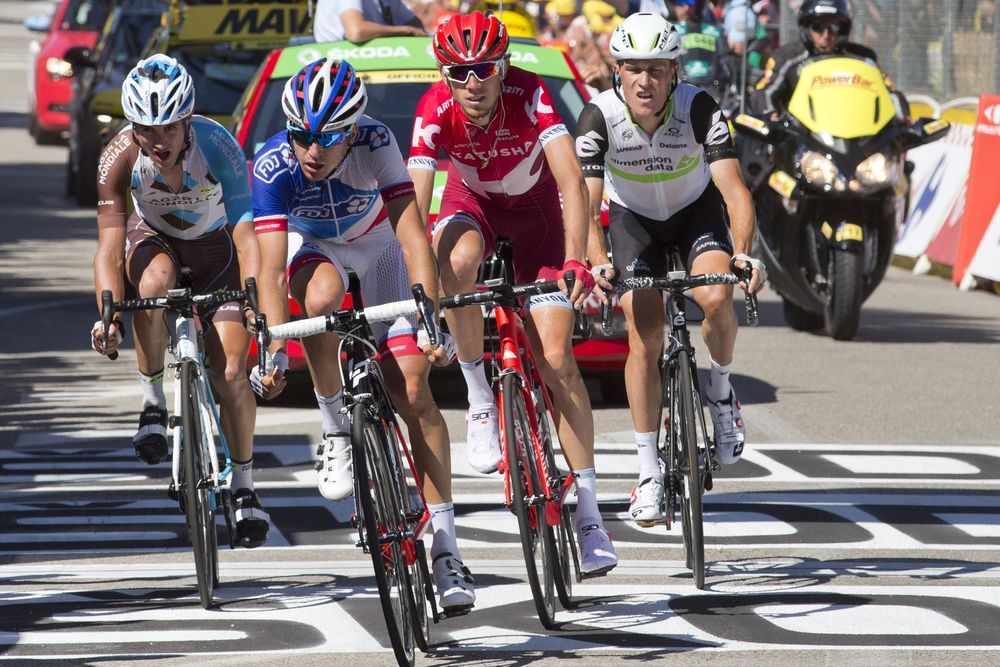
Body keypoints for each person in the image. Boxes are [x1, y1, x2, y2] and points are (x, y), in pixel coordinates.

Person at [249, 57, 475, 613]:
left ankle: (446, 550)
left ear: (351, 131)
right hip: (314, 247)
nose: (312, 150)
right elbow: (272, 271)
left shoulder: (376, 142)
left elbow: (412, 234)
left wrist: (430, 318)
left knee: (414, 390)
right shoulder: (274, 164)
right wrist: (272, 346)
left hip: (379, 248)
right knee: (320, 301)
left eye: (327, 138)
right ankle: (334, 428)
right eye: (302, 135)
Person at [408, 11, 618, 576]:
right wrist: (421, 293)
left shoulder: (531, 93)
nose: (472, 82)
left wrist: (576, 257)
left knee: (556, 357)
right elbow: (415, 201)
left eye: (484, 69)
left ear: (503, 67)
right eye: (458, 72)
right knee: (458, 262)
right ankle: (479, 394)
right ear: (444, 74)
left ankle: (591, 515)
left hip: (537, 216)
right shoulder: (434, 110)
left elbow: (571, 180)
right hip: (471, 206)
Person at [575, 13, 766, 527]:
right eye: (633, 69)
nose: (644, 81)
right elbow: (587, 205)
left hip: (694, 213)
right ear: (618, 71)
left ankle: (722, 392)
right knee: (644, 334)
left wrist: (743, 252)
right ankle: (647, 475)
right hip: (633, 221)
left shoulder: (700, 108)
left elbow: (733, 191)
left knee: (717, 297)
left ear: (673, 72)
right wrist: (596, 261)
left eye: (656, 70)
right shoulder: (598, 117)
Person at [90, 54, 269, 548]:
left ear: (187, 118)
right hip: (155, 242)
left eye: (169, 127)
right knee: (152, 286)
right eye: (146, 129)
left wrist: (254, 298)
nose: (159, 141)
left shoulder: (217, 145)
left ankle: (245, 487)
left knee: (231, 372)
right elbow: (107, 249)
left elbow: (247, 236)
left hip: (219, 253)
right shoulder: (119, 156)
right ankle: (151, 403)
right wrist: (107, 312)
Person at [750, 0, 894, 116]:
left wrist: (904, 118)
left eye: (834, 27)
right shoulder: (787, 57)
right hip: (801, 138)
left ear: (843, 29)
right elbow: (763, 91)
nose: (826, 35)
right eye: (818, 27)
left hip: (856, 134)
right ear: (806, 28)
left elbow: (891, 93)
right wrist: (771, 116)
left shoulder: (863, 58)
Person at [312, 0, 426, 43]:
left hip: (376, 66)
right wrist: (405, 30)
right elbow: (356, 32)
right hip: (338, 70)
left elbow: (416, 26)